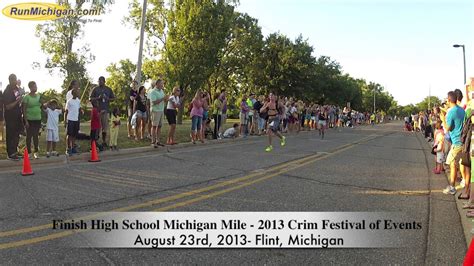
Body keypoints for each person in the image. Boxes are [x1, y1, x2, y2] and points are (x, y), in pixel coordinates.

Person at [442, 91, 465, 195]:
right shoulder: (461, 110)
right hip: (463, 140)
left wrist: (443, 119)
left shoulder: (451, 111)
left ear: (449, 99)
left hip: (456, 142)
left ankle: (452, 187)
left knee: (452, 163)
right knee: (460, 164)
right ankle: (462, 183)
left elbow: (448, 128)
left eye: (447, 99)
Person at [89, 76, 115, 148]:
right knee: (97, 127)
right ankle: (96, 141)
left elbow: (113, 98)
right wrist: (98, 98)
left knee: (104, 127)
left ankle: (104, 141)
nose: (99, 82)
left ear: (104, 81)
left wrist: (107, 98)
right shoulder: (95, 89)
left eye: (101, 81)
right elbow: (90, 98)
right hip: (97, 111)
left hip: (105, 110)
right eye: (98, 81)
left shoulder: (108, 89)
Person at [3, 74, 23, 160]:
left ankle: (15, 151)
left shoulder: (16, 89)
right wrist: (17, 101)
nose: (16, 81)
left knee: (16, 134)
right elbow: (8, 106)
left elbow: (19, 99)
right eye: (14, 80)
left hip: (18, 115)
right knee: (10, 134)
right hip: (10, 116)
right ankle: (10, 154)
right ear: (10, 80)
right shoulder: (7, 91)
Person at [22, 81, 43, 159]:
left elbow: (41, 106)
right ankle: (29, 153)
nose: (36, 87)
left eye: (36, 86)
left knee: (35, 136)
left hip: (37, 119)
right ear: (30, 88)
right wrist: (26, 121)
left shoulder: (38, 96)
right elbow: (23, 109)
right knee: (29, 136)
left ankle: (36, 152)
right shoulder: (26, 97)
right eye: (34, 86)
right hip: (29, 119)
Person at [148, 79, 168, 148]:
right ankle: (153, 142)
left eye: (162, 84)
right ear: (157, 84)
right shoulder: (153, 92)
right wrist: (163, 98)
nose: (162, 85)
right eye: (161, 84)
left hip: (161, 110)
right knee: (154, 126)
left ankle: (158, 141)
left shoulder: (162, 91)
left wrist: (166, 99)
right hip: (155, 111)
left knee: (159, 126)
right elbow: (154, 102)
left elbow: (163, 100)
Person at [65, 88, 82, 156]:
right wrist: (65, 120)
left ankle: (73, 148)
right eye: (77, 92)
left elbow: (79, 108)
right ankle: (68, 148)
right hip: (70, 119)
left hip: (76, 120)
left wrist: (81, 111)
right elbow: (66, 111)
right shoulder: (69, 101)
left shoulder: (78, 101)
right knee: (69, 135)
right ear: (73, 93)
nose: (78, 93)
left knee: (75, 135)